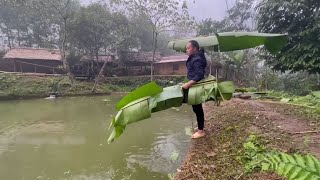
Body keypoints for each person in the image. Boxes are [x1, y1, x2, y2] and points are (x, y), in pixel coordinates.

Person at [182, 40, 207, 139]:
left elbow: (199, 74)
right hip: (194, 86)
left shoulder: (196, 59)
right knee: (196, 108)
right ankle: (200, 127)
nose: (186, 50)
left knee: (197, 108)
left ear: (195, 48)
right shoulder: (195, 57)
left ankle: (201, 131)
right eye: (186, 48)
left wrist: (188, 84)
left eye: (188, 48)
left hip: (195, 87)